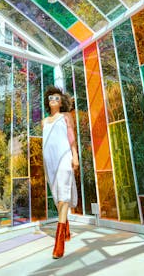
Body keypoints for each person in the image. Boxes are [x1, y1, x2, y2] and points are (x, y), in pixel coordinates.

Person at [42, 86, 79, 259]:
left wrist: (75, 156)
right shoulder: (44, 121)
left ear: (61, 101)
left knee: (63, 195)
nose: (53, 101)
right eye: (51, 98)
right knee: (57, 197)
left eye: (56, 98)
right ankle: (67, 229)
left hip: (64, 157)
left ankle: (59, 243)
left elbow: (71, 138)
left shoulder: (66, 117)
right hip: (49, 161)